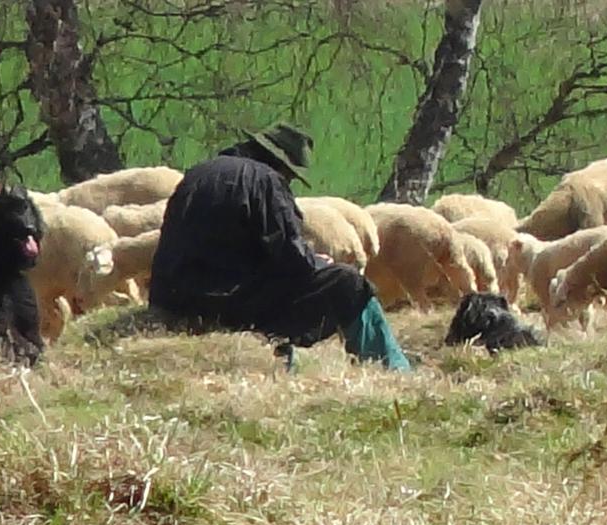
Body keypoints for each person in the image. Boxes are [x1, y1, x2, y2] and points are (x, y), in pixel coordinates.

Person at [148, 123, 411, 371]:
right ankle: (391, 365)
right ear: (280, 164)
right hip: (226, 305)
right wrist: (319, 262)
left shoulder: (198, 173)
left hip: (173, 299)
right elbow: (289, 254)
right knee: (348, 283)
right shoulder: (266, 181)